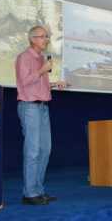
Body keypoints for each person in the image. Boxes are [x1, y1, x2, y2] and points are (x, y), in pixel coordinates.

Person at [15, 25, 66, 205]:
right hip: (29, 108)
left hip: (43, 108)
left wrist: (54, 84)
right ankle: (29, 193)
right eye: (43, 36)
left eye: (47, 37)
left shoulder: (41, 59)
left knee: (45, 150)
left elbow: (38, 84)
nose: (47, 40)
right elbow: (25, 82)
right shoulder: (24, 58)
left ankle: (38, 190)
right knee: (33, 151)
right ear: (33, 39)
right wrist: (43, 70)